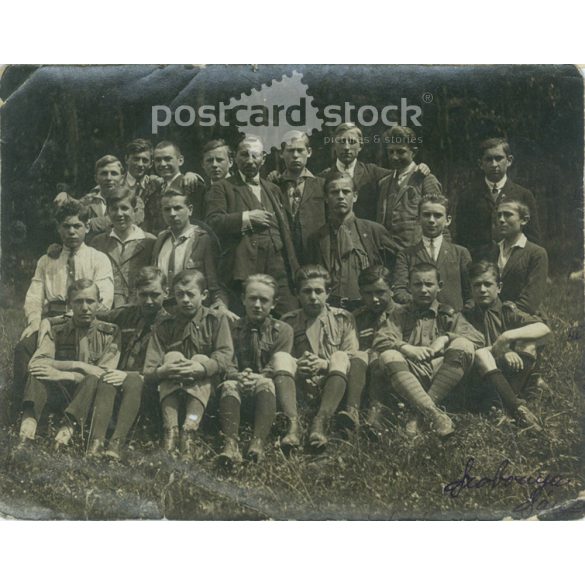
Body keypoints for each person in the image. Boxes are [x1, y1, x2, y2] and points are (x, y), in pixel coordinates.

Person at [12, 201, 114, 423]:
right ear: (58, 228)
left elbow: (105, 298)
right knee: (24, 349)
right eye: (66, 226)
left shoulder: (98, 258)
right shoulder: (47, 259)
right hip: (51, 321)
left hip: (83, 319)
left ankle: (70, 412)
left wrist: (77, 317)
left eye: (77, 226)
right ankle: (23, 410)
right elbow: (35, 294)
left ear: (87, 227)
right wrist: (34, 322)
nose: (71, 232)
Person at [372, 263, 485, 437]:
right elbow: (380, 339)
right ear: (409, 287)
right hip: (409, 372)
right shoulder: (400, 313)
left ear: (439, 287)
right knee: (388, 355)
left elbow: (478, 338)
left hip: (442, 371)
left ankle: (418, 414)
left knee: (464, 344)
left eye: (429, 284)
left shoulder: (448, 313)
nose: (423, 290)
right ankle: (434, 414)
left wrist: (446, 337)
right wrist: (406, 348)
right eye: (417, 284)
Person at [17, 279, 120, 452]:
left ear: (99, 303)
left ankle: (63, 436)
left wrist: (65, 374)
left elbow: (104, 374)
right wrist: (78, 366)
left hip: (88, 397)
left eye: (90, 301)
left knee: (92, 380)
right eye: (78, 301)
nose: (85, 307)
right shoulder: (57, 328)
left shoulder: (110, 333)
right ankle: (26, 432)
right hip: (59, 393)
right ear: (69, 304)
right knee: (38, 373)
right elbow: (37, 362)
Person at [142, 269, 234, 459]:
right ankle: (171, 432)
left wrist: (201, 368)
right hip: (171, 391)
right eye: (180, 294)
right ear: (172, 295)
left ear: (204, 295)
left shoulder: (216, 319)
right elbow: (149, 369)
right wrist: (164, 370)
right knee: (173, 356)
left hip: (208, 390)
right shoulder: (164, 324)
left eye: (190, 294)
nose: (185, 300)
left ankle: (189, 432)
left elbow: (225, 354)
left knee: (201, 359)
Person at [206, 135, 299, 316]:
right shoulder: (222, 187)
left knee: (290, 316)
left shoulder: (273, 188)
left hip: (279, 267)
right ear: (235, 159)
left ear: (263, 159)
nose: (250, 160)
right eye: (244, 155)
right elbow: (213, 222)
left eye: (255, 155)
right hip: (245, 268)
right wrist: (247, 218)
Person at [91, 267, 170, 460]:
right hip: (119, 378)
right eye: (143, 295)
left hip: (149, 383)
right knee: (106, 379)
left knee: (132, 381)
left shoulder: (171, 323)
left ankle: (116, 443)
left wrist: (133, 376)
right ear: (135, 294)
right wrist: (49, 321)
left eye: (155, 295)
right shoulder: (126, 314)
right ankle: (96, 442)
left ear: (166, 292)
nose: (149, 301)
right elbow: (90, 315)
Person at [463, 261, 550, 430]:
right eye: (477, 285)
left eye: (488, 284)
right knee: (481, 353)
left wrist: (506, 337)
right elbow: (472, 350)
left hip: (507, 371)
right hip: (479, 377)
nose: (482, 290)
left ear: (499, 287)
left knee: (528, 343)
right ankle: (516, 408)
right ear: (471, 289)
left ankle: (503, 407)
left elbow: (544, 329)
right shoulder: (466, 315)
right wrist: (502, 351)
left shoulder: (507, 311)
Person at [280, 265, 359, 449]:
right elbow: (282, 359)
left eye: (318, 291)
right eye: (307, 291)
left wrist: (324, 364)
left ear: (328, 293)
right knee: (282, 357)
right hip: (301, 384)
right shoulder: (288, 321)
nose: (313, 297)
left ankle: (321, 421)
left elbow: (352, 355)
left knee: (340, 355)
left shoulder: (343, 318)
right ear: (297, 294)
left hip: (332, 385)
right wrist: (300, 365)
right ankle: (292, 425)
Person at [218, 274, 294, 464]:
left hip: (267, 394)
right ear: (243, 299)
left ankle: (258, 442)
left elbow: (276, 363)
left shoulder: (283, 330)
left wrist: (258, 377)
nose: (257, 305)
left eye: (264, 300)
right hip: (238, 387)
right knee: (228, 385)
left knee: (266, 382)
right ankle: (230, 443)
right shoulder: (230, 328)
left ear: (274, 303)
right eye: (252, 298)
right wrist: (238, 376)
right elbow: (228, 359)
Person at [307, 172, 393, 312]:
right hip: (330, 311)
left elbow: (395, 269)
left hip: (368, 310)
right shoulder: (316, 238)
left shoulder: (374, 231)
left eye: (346, 191)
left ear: (355, 196)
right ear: (326, 198)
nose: (340, 196)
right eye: (334, 192)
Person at [456, 137, 541, 260]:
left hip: (513, 264)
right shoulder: (468, 196)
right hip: (479, 267)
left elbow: (533, 238)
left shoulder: (523, 195)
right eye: (489, 159)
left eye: (499, 158)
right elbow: (461, 239)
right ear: (480, 163)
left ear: (509, 160)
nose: (494, 164)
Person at [151, 190, 230, 315]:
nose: (172, 214)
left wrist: (221, 306)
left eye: (177, 208)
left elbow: (215, 284)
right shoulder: (161, 239)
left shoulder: (203, 240)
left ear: (190, 210)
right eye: (167, 209)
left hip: (192, 313)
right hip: (163, 314)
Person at [393, 193, 472, 310]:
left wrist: (463, 314)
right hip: (418, 321)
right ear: (418, 219)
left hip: (453, 321)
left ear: (448, 220)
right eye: (426, 215)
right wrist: (424, 304)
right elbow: (399, 291)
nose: (431, 220)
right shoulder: (406, 255)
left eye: (437, 215)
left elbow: (470, 293)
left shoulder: (460, 253)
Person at [376, 126, 443, 263]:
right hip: (387, 257)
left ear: (414, 152)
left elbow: (439, 220)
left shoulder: (425, 179)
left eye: (401, 152)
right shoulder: (384, 183)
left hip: (417, 256)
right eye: (391, 152)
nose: (394, 157)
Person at [90, 187, 156, 307]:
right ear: (108, 212)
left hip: (138, 309)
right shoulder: (98, 242)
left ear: (134, 211)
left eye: (124, 208)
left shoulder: (149, 241)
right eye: (114, 209)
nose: (119, 214)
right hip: (106, 308)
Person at [269, 131, 326, 265]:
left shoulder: (322, 185)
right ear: (281, 153)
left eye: (300, 150)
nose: (295, 155)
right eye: (290, 151)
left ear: (309, 152)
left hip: (315, 256)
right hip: (282, 259)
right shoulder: (272, 186)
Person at [351, 266, 395, 436]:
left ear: (391, 290)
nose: (375, 299)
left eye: (380, 292)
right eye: (368, 294)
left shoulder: (405, 314)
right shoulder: (356, 318)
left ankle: (376, 415)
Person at [319, 123, 391, 221]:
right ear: (334, 145)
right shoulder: (323, 178)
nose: (346, 147)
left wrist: (417, 169)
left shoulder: (373, 173)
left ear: (360, 146)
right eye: (341, 141)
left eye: (352, 142)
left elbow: (402, 175)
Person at [492, 200, 548, 314]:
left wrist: (500, 316)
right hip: (490, 319)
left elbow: (530, 301)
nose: (501, 220)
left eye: (508, 215)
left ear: (524, 220)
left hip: (524, 319)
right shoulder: (491, 251)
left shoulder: (536, 254)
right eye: (499, 215)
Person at [146, 141, 206, 233]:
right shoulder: (156, 190)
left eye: (167, 159)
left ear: (180, 160)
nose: (162, 164)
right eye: (158, 160)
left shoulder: (192, 185)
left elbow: (201, 222)